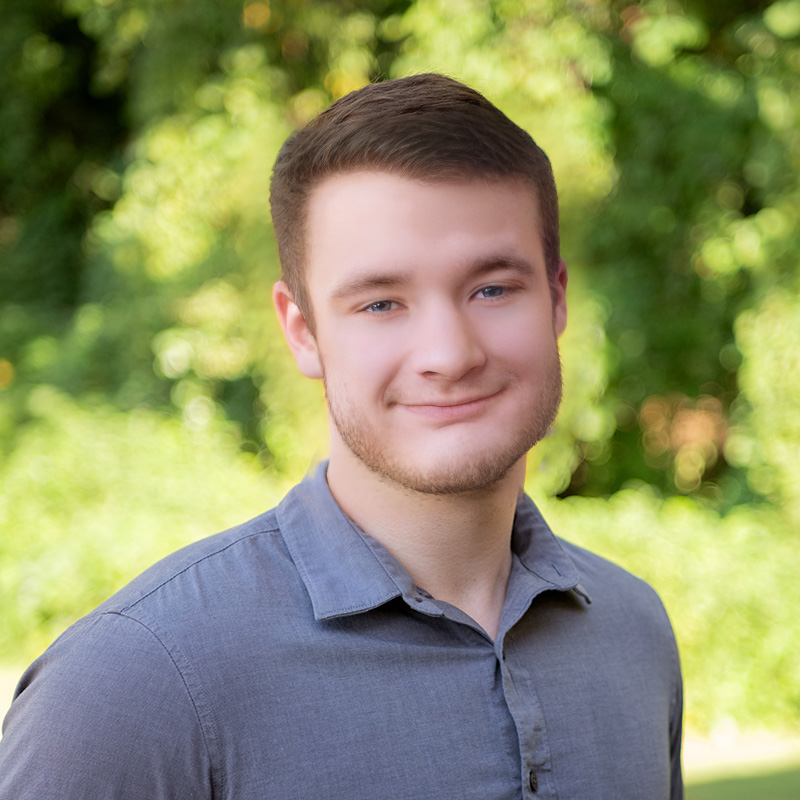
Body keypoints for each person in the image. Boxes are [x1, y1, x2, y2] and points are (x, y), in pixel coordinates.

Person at [0, 74, 683, 799]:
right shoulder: (134, 685)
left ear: (556, 298)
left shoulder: (633, 634)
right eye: (381, 303)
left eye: (492, 289)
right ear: (302, 332)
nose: (449, 354)